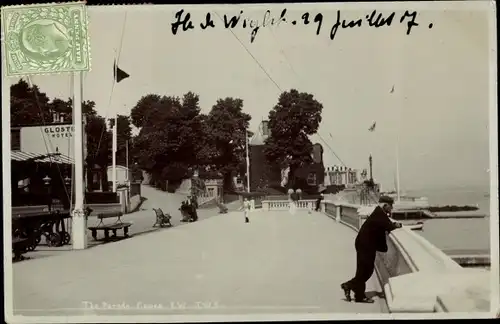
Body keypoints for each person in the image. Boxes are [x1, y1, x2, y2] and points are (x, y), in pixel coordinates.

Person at [340, 195, 402, 303]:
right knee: (366, 271)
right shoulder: (379, 214)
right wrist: (396, 225)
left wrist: (391, 222)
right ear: (385, 205)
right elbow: (389, 226)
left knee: (363, 271)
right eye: (390, 206)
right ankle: (348, 286)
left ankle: (358, 295)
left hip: (364, 243)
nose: (391, 208)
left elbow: (386, 223)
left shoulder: (379, 212)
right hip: (366, 245)